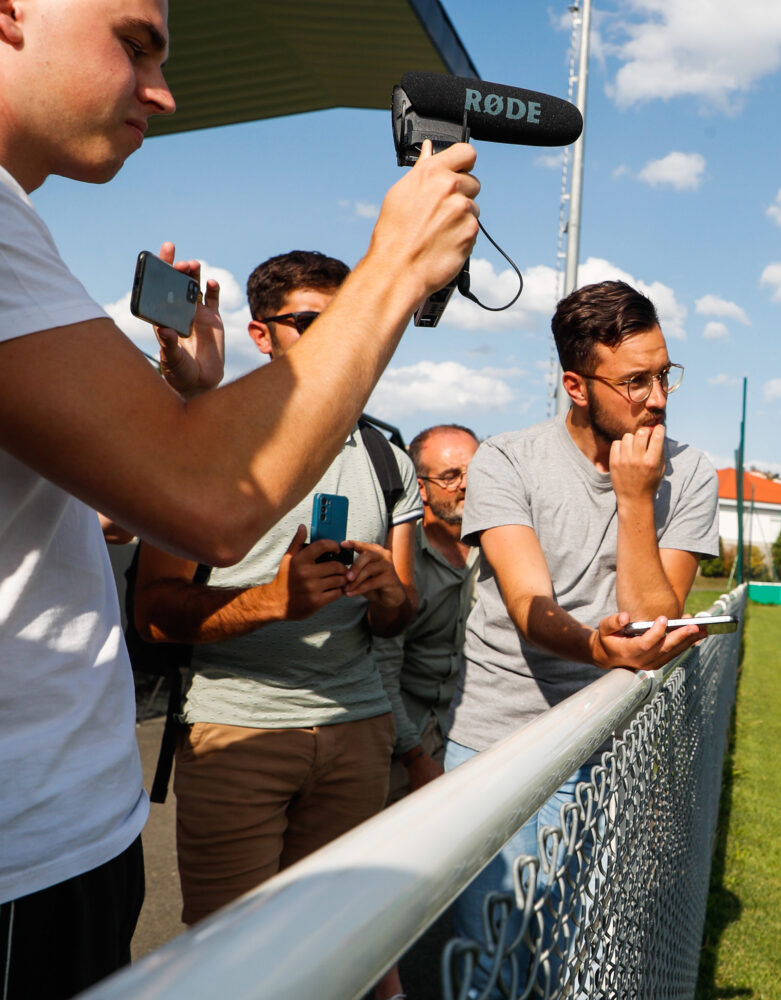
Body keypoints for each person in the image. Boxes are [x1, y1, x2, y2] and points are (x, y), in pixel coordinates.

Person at [0, 1, 477, 995]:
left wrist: (195, 402)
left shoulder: (20, 221)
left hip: (73, 831)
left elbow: (110, 507)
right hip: (32, 850)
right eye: (133, 44)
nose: (163, 93)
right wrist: (393, 269)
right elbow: (205, 504)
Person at [132, 251, 421, 929]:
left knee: (331, 940)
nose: (333, 340)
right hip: (238, 731)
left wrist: (386, 594)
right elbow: (154, 613)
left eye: (347, 321)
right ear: (261, 335)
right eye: (308, 322)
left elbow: (402, 614)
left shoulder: (388, 458)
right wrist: (271, 601)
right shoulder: (204, 441)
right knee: (229, 953)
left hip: (359, 730)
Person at [445, 279, 720, 984]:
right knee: (499, 967)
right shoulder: (506, 460)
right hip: (502, 742)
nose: (657, 398)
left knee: (587, 963)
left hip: (612, 745)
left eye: (664, 374)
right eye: (635, 381)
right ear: (576, 384)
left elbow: (658, 615)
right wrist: (599, 646)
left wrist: (635, 498)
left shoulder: (686, 472)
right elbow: (528, 602)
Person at [376, 423, 483, 802]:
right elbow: (383, 670)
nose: (466, 485)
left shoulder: (501, 548)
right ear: (419, 487)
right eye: (451, 476)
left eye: (475, 472)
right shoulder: (402, 559)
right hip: (401, 738)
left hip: (474, 729)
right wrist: (414, 756)